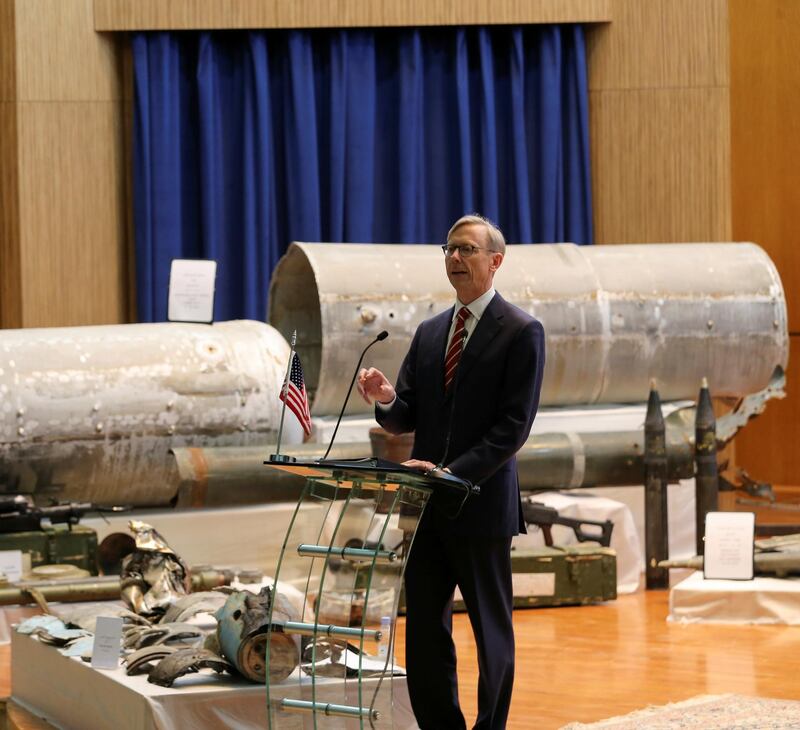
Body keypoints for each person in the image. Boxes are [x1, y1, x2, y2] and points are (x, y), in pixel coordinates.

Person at [356, 214, 546, 729]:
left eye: (467, 250)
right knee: (423, 629)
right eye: (449, 249)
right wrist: (386, 398)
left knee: (491, 631)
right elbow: (406, 414)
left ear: (495, 261)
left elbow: (512, 429)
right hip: (426, 510)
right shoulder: (431, 331)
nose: (455, 258)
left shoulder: (523, 331)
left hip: (480, 505)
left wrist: (450, 472)